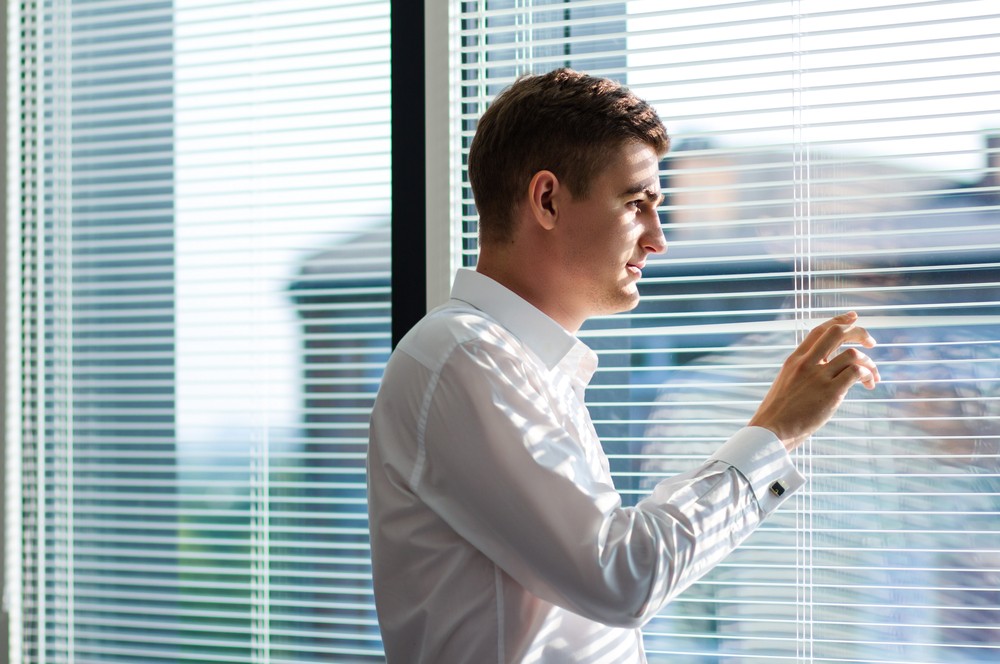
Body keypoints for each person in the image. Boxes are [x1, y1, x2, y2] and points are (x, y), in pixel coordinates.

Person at [366, 68, 880, 664]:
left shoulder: (525, 367)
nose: (658, 239)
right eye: (637, 204)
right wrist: (776, 429)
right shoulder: (466, 358)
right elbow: (618, 577)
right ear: (548, 200)